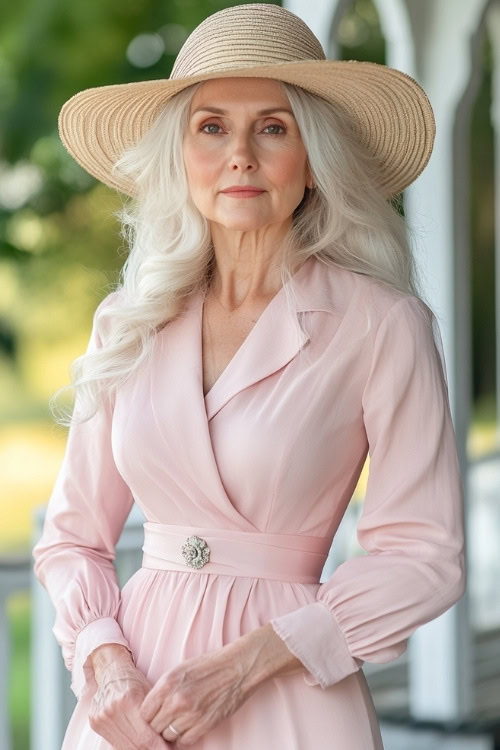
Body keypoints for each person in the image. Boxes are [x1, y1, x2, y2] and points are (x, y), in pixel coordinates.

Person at [32, 3, 466, 749]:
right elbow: (70, 540)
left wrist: (247, 663)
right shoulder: (128, 320)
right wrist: (102, 661)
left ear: (312, 156)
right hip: (133, 704)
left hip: (293, 693)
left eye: (272, 127)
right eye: (211, 128)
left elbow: (423, 556)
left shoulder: (381, 324)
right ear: (182, 155)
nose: (240, 155)